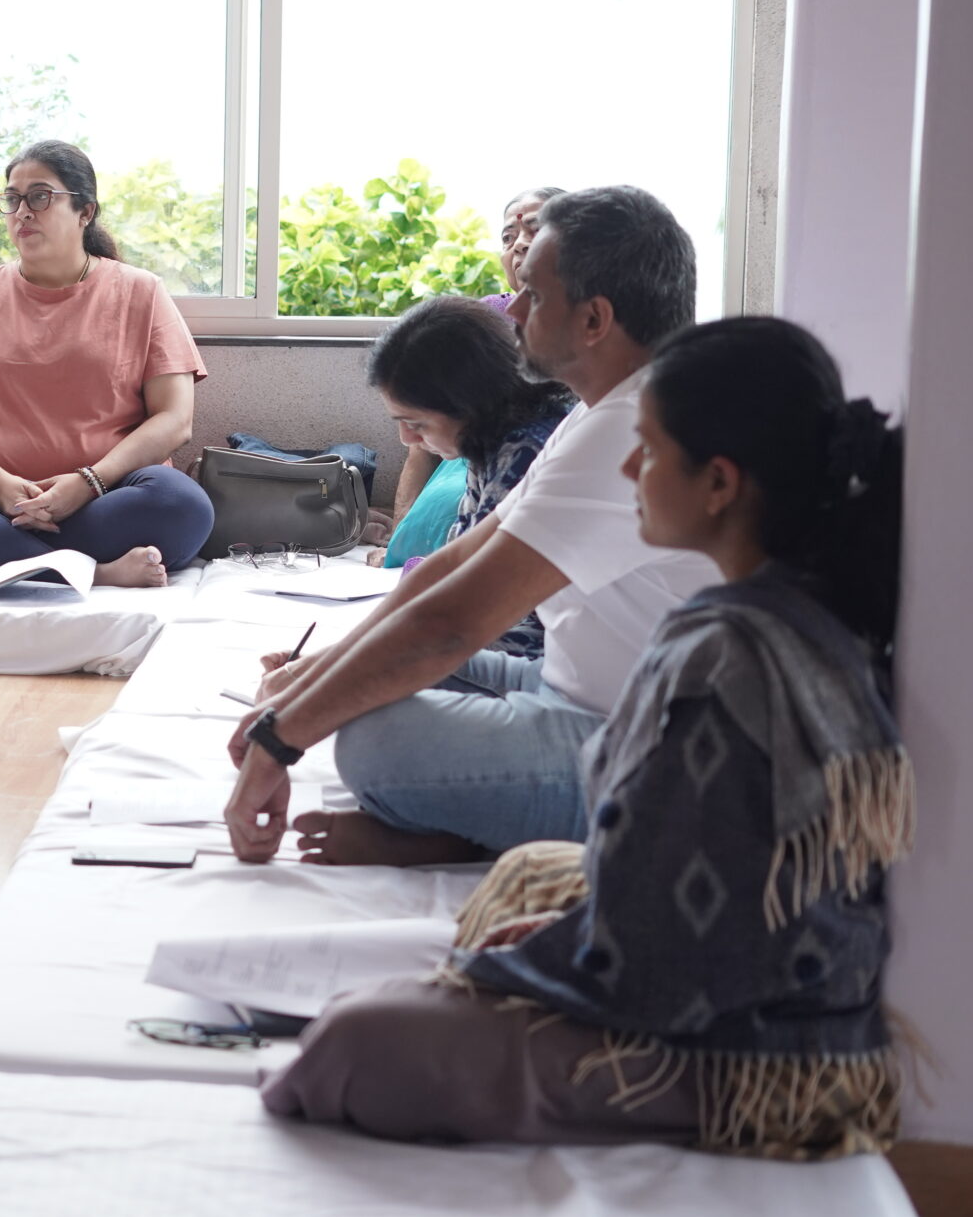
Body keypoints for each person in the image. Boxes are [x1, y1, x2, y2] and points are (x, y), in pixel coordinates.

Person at [263, 318, 908, 1158]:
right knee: (524, 879)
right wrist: (558, 931)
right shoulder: (788, 611)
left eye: (649, 452)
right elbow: (686, 880)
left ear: (718, 483)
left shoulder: (722, 655)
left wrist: (517, 970)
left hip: (742, 1054)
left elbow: (666, 958)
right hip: (776, 1003)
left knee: (358, 1039)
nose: (630, 471)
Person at [222, 185, 719, 866]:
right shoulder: (599, 409)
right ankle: (472, 820)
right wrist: (311, 680)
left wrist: (279, 740)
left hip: (635, 745)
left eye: (533, 295)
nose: (512, 309)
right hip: (559, 683)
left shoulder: (632, 427)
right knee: (365, 678)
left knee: (376, 740)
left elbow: (450, 623)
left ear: (594, 319)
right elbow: (446, 573)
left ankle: (467, 835)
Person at [0, 141, 215, 586]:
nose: (22, 212)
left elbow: (174, 421)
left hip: (107, 496)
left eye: (40, 196)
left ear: (85, 211)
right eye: (12, 199)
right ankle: (97, 572)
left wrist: (88, 482)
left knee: (183, 505)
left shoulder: (141, 292)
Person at [365, 294, 574, 651]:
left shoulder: (526, 451)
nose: (406, 439)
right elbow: (455, 562)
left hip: (547, 650)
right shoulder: (489, 444)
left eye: (417, 423)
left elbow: (474, 599)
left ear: (467, 402)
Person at [380, 186, 563, 534]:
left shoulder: (533, 441)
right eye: (508, 237)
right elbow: (422, 432)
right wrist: (399, 535)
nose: (519, 245)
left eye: (535, 230)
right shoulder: (482, 321)